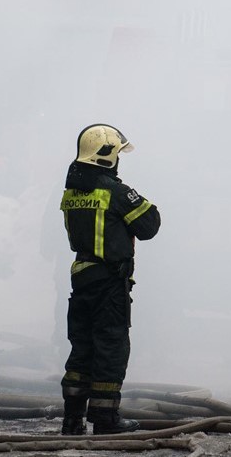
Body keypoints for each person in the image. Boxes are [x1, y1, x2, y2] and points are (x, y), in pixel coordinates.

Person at [58, 124, 161, 436]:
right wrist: (130, 194)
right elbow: (149, 224)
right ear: (106, 156)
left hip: (82, 280)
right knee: (111, 347)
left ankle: (72, 419)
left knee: (82, 350)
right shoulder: (113, 191)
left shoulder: (72, 192)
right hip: (109, 284)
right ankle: (105, 419)